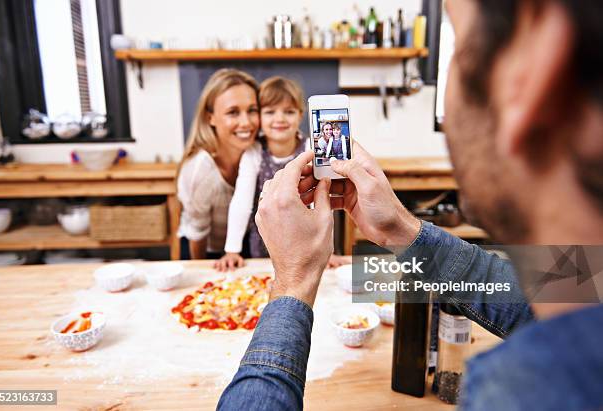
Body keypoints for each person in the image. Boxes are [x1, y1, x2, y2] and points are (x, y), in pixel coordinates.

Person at [217, 0, 603, 410]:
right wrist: (401, 230)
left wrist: (292, 285)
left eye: (458, 43)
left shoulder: (517, 396)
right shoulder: (585, 277)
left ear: (531, 73)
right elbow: (528, 293)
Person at [214, 77, 352, 271]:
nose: (280, 119)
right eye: (270, 112)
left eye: (289, 111)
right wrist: (232, 250)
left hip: (305, 242)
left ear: (300, 115)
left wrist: (325, 251)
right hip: (264, 244)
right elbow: (241, 202)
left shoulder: (309, 148)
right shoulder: (253, 153)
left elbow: (321, 203)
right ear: (260, 116)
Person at [176, 69, 259, 259]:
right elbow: (197, 235)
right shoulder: (199, 171)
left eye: (252, 110)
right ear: (210, 118)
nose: (246, 122)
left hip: (243, 243)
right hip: (203, 249)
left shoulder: (259, 153)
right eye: (233, 112)